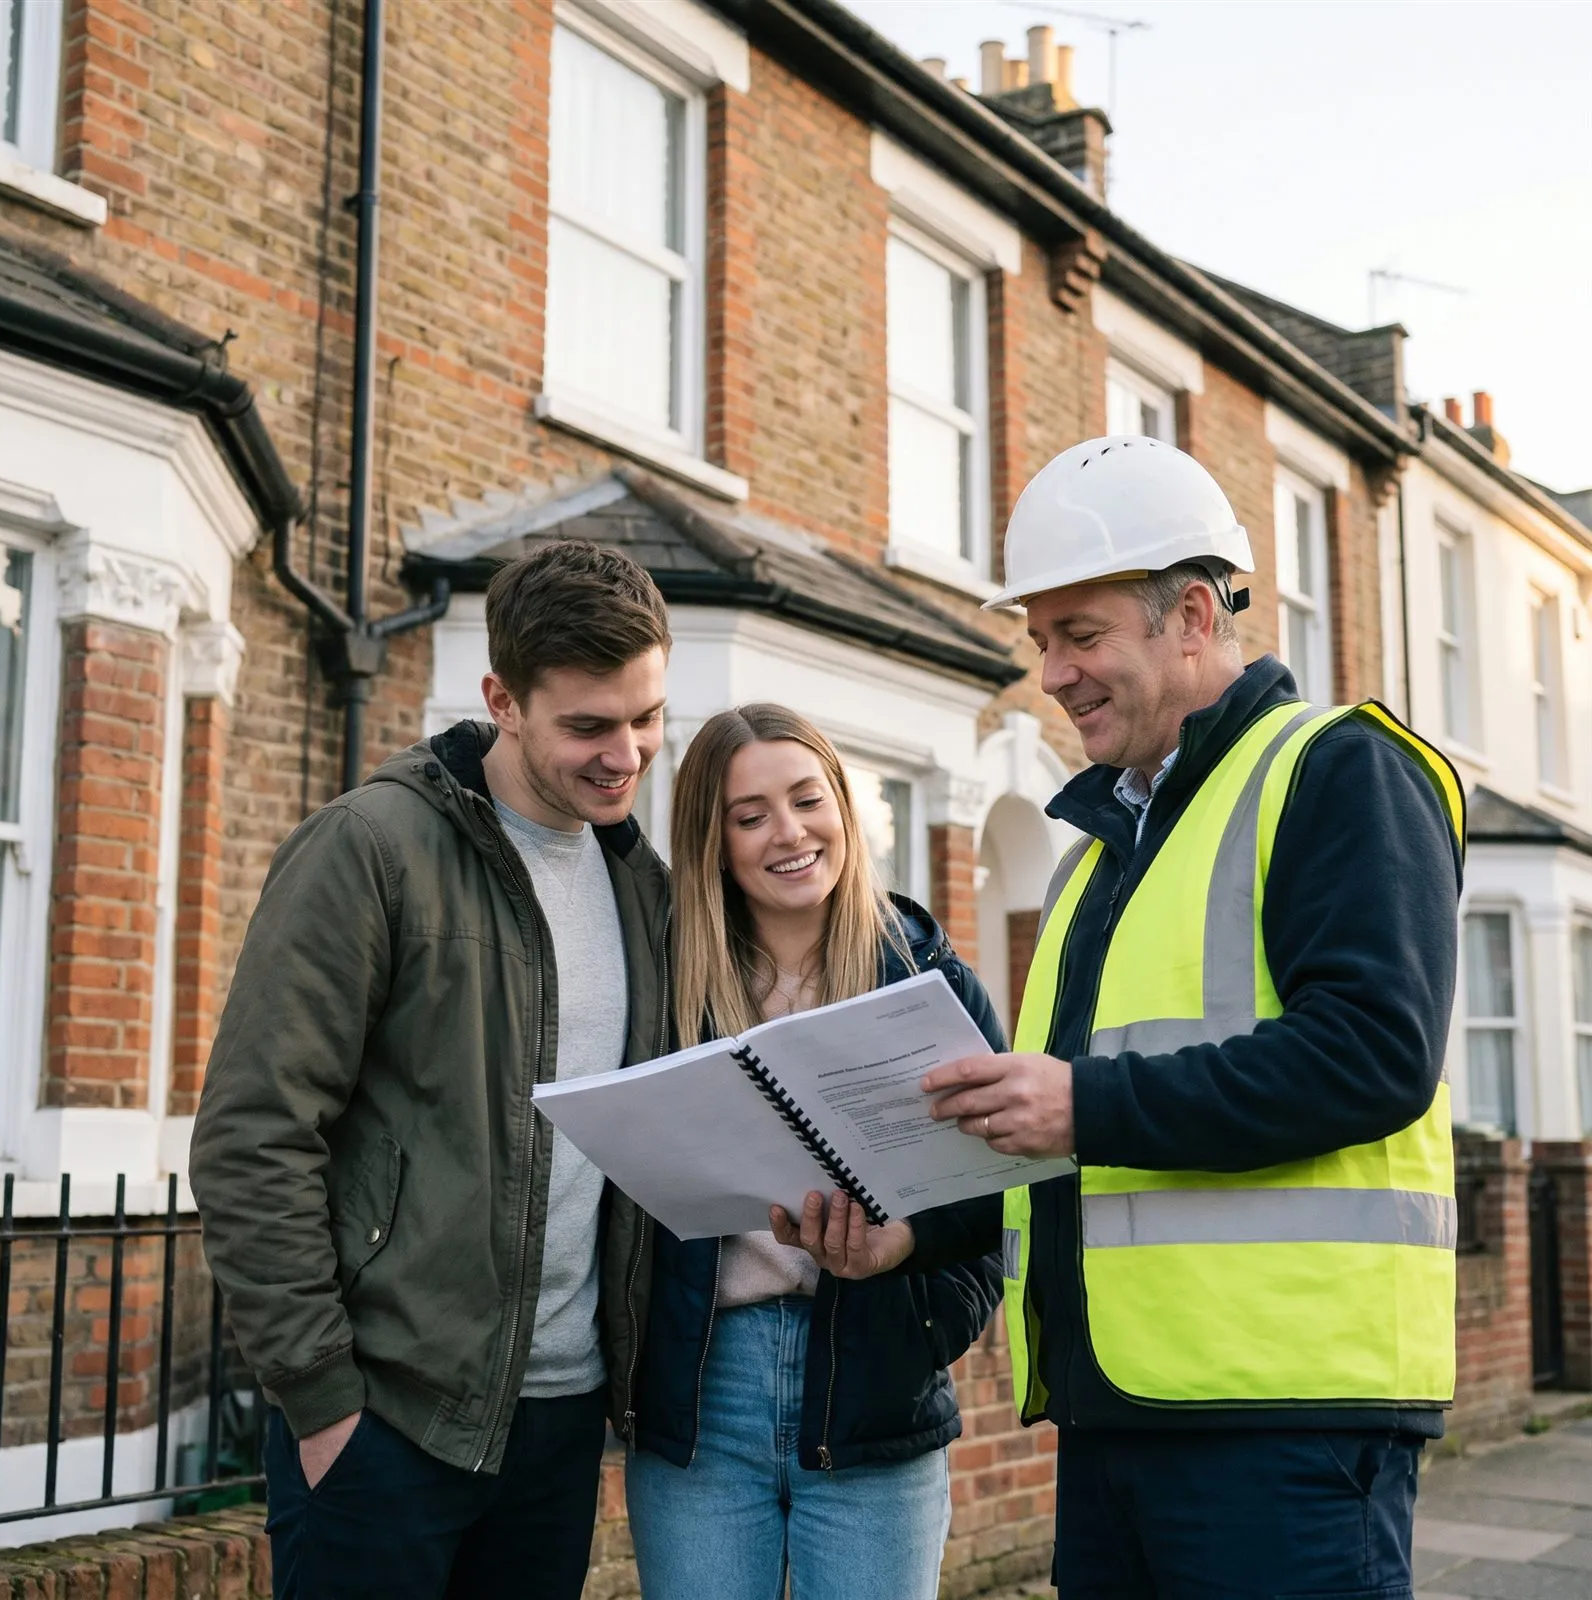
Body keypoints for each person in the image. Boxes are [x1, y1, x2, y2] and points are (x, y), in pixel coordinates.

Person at [775, 436, 1465, 1600]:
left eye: (1079, 634)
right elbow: (1056, 1143)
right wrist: (913, 1234)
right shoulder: (1098, 858)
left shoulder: (1335, 768)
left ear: (1191, 615)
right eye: (1040, 639)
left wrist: (1081, 1102)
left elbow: (1373, 1054)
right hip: (1115, 1414)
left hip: (1285, 1424)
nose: (1050, 673)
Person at [190, 541, 673, 1599]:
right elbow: (252, 1136)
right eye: (588, 726)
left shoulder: (644, 885)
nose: (625, 755)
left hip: (560, 1424)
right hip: (386, 1421)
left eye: (646, 718)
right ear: (502, 701)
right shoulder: (368, 847)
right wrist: (321, 1399)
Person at [625, 703, 1004, 1600]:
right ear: (714, 843)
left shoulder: (929, 978)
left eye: (806, 800)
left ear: (842, 804)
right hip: (705, 1391)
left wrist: (916, 1298)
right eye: (750, 816)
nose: (789, 833)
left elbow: (1002, 1199)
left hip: (876, 1385)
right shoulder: (664, 984)